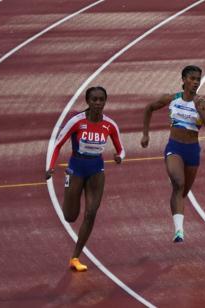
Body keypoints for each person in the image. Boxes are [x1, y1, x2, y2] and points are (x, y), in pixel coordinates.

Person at [46, 86, 124, 271]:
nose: (98, 103)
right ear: (88, 101)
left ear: (105, 101)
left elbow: (120, 148)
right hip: (76, 168)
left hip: (96, 170)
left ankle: (75, 256)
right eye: (94, 99)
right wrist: (50, 167)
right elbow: (57, 144)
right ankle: (69, 189)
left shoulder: (110, 125)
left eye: (101, 100)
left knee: (91, 213)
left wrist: (120, 157)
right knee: (70, 217)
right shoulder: (77, 121)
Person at [141, 65, 205, 243]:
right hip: (174, 147)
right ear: (183, 80)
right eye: (192, 79)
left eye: (198, 79)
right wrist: (145, 134)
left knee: (181, 192)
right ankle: (179, 231)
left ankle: (177, 215)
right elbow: (149, 108)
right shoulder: (172, 99)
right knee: (179, 182)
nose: (195, 82)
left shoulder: (203, 103)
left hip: (192, 151)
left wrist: (200, 111)